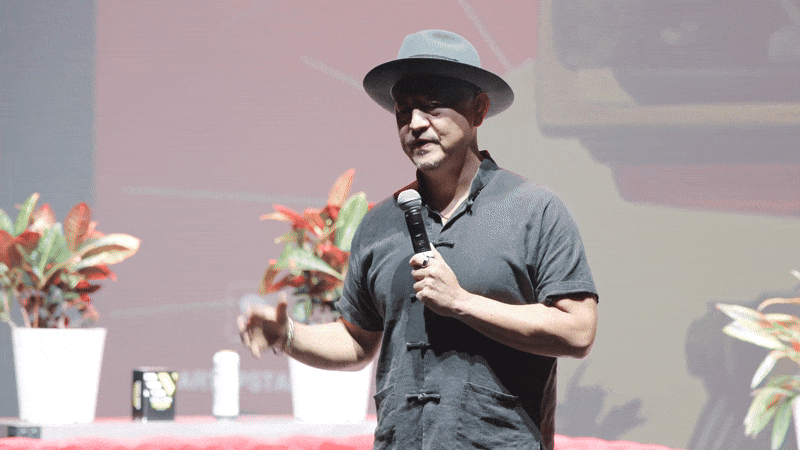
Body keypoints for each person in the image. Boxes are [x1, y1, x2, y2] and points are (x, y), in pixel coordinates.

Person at [239, 29, 599, 450]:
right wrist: (288, 335)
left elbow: (578, 330)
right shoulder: (379, 224)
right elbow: (357, 340)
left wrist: (461, 302)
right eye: (403, 110)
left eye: (431, 106)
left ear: (478, 110)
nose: (415, 124)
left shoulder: (534, 210)